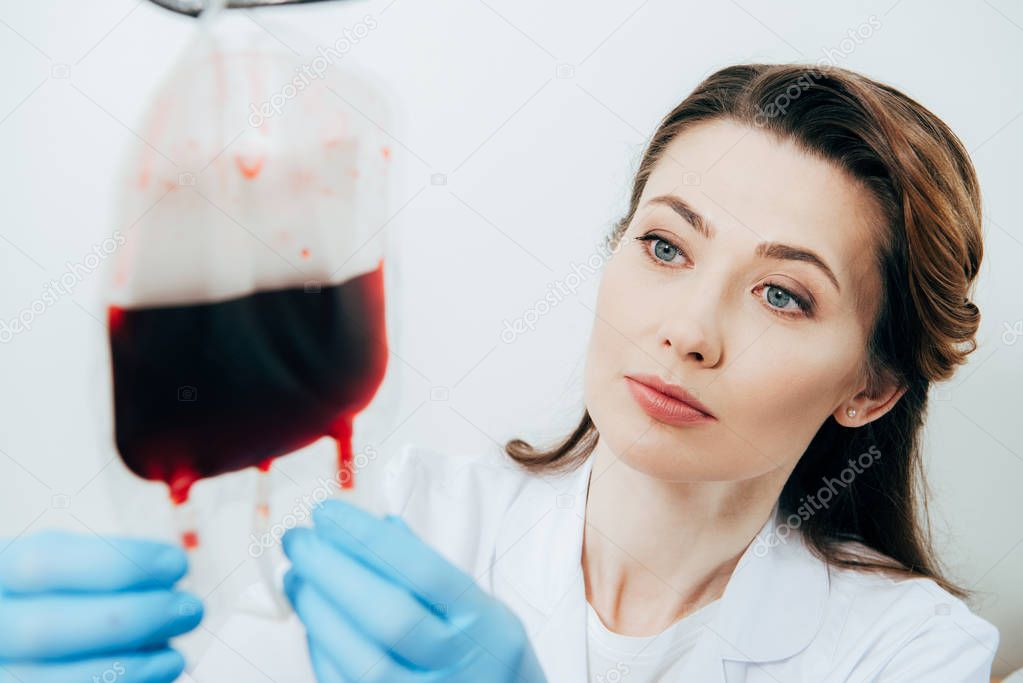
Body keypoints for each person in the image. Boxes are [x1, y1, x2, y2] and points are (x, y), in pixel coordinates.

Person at [0, 62, 1001, 682]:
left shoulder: (909, 652)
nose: (690, 330)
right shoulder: (394, 522)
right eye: (665, 246)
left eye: (784, 294)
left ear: (869, 386)